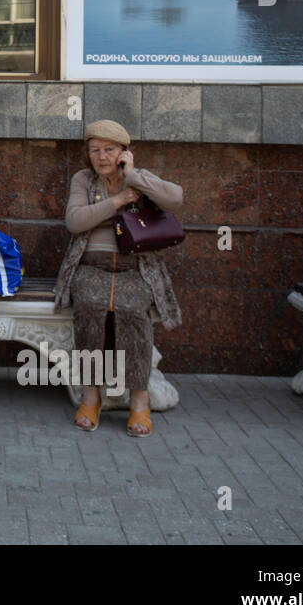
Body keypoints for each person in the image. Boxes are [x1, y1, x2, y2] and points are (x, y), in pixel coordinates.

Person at [53, 120, 183, 436]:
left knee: (133, 309)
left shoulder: (139, 178)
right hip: (90, 265)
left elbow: (176, 199)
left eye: (109, 150)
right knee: (90, 306)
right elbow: (75, 221)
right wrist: (118, 201)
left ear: (124, 152)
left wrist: (133, 177)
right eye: (94, 150)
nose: (101, 157)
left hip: (135, 268)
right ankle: (91, 395)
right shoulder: (83, 180)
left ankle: (140, 401)